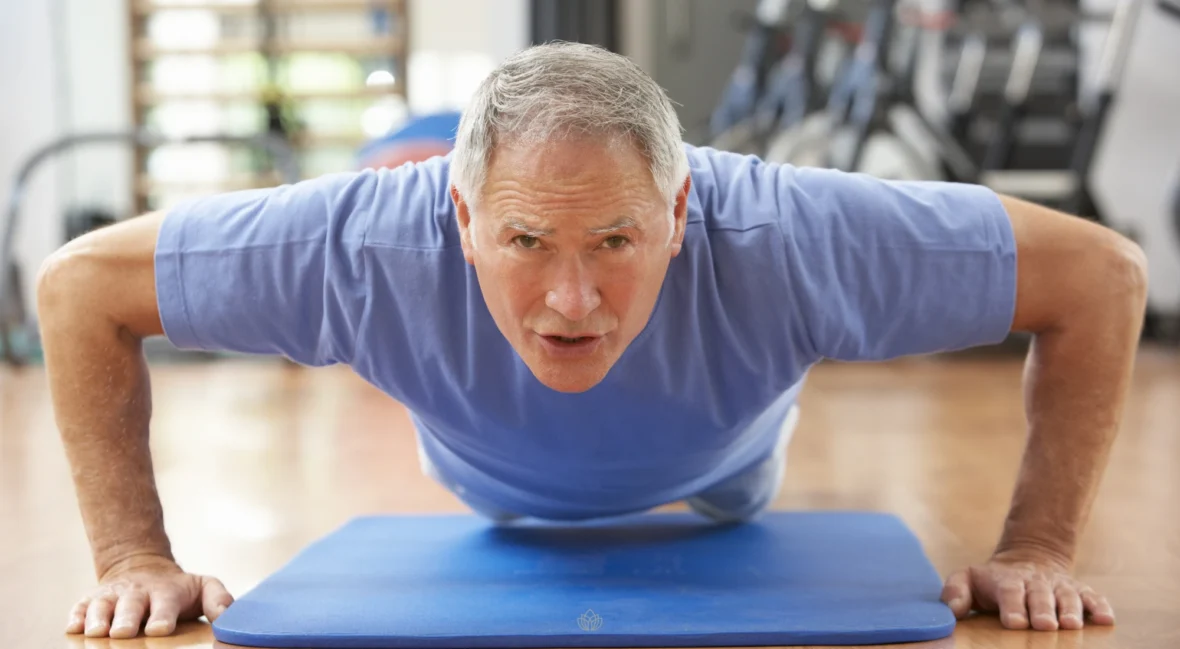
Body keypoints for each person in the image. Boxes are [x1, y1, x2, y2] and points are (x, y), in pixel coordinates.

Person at [38, 42, 1145, 640]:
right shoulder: (356, 246)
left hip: (729, 463)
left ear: (681, 208)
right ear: (461, 217)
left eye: (616, 238)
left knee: (737, 480)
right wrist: (134, 558)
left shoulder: (795, 234)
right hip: (486, 476)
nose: (572, 299)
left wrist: (1038, 547)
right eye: (525, 239)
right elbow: (82, 289)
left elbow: (1100, 277)